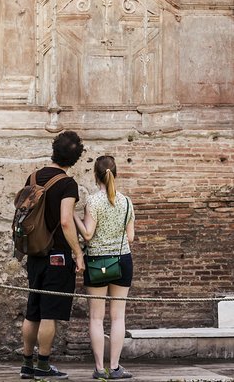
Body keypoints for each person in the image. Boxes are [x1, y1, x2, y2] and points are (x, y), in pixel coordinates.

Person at [20, 130, 85, 380]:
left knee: (32, 310)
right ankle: (43, 365)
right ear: (75, 158)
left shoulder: (33, 176)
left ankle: (27, 363)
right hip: (57, 255)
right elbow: (66, 222)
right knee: (49, 313)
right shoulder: (67, 184)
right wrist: (77, 253)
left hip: (34, 252)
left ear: (53, 150)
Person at [73, 155, 135, 379]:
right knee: (118, 317)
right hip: (122, 261)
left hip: (97, 263)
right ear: (115, 173)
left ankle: (100, 369)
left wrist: (74, 216)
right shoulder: (126, 201)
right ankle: (116, 367)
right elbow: (131, 236)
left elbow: (88, 234)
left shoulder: (93, 201)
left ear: (95, 175)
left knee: (96, 318)